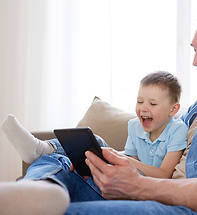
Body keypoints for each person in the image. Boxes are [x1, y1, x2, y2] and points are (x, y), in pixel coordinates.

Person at [1, 6, 197, 215]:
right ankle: (37, 186)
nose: (195, 61)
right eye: (194, 49)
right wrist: (126, 170)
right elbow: (165, 160)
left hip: (187, 209)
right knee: (61, 163)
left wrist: (140, 186)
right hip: (156, 195)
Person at [1, 71, 187, 178]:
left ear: (173, 109)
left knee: (99, 146)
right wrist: (111, 155)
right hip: (126, 174)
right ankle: (44, 149)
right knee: (75, 154)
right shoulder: (134, 125)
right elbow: (131, 159)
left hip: (143, 184)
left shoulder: (177, 130)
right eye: (139, 101)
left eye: (152, 104)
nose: (143, 109)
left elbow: (163, 174)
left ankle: (42, 150)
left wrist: (118, 157)